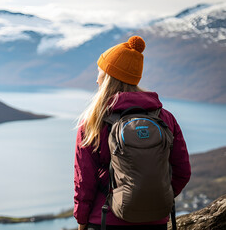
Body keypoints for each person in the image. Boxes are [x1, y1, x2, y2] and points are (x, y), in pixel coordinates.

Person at [73, 36, 191, 230]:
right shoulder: (164, 117)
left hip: (105, 219)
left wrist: (82, 220)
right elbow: (182, 172)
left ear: (109, 77)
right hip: (155, 221)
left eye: (100, 72)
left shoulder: (94, 121)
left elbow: (84, 180)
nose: (96, 79)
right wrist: (152, 200)